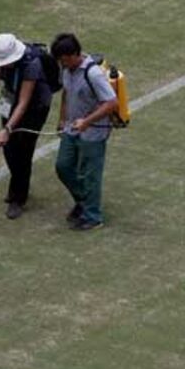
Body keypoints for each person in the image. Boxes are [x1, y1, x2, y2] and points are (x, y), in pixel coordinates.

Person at [0, 33, 55, 219]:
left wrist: (7, 130)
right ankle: (18, 185)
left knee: (23, 150)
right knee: (9, 149)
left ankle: (18, 198)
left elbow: (24, 102)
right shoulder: (1, 64)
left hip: (35, 107)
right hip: (11, 100)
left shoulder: (32, 65)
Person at [50, 33, 118, 231]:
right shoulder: (67, 69)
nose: (62, 64)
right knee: (63, 166)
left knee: (90, 174)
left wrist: (87, 122)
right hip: (72, 128)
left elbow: (112, 103)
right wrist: (62, 119)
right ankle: (84, 201)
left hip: (94, 132)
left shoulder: (93, 74)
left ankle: (93, 216)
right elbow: (66, 93)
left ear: (74, 55)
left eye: (63, 60)